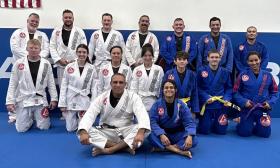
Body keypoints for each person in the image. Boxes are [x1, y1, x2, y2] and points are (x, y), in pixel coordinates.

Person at [77, 73, 151, 156]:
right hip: (106, 131)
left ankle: (110, 150)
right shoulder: (102, 97)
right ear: (111, 84)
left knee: (143, 129)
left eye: (121, 82)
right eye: (115, 82)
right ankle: (124, 148)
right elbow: (90, 113)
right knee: (83, 132)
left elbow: (142, 113)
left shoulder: (133, 97)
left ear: (125, 84)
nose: (118, 85)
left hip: (125, 132)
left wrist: (140, 132)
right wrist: (83, 132)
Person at [6, 39, 58, 132]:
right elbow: (12, 84)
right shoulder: (19, 63)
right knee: (21, 129)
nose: (33, 50)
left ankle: (36, 117)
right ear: (27, 48)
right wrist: (10, 101)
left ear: (40, 49)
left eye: (36, 48)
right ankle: (29, 119)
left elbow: (51, 83)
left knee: (44, 127)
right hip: (24, 99)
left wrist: (54, 99)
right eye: (31, 48)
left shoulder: (46, 64)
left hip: (40, 100)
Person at [233, 51, 278, 138]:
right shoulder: (243, 75)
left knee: (264, 134)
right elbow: (235, 92)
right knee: (244, 133)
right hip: (247, 109)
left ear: (260, 60)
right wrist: (244, 101)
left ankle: (259, 125)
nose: (254, 63)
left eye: (256, 60)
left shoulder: (268, 75)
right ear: (247, 62)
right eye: (251, 61)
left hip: (262, 109)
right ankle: (242, 123)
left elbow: (275, 92)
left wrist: (270, 102)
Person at [149, 80, 197, 158]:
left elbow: (189, 122)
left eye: (171, 87)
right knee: (149, 135)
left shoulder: (182, 105)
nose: (169, 89)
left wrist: (190, 135)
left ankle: (165, 148)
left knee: (194, 140)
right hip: (163, 134)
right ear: (163, 90)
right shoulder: (157, 104)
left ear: (175, 90)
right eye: (166, 88)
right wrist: (161, 135)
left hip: (177, 134)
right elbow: (153, 122)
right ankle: (179, 151)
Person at [58, 44, 98, 132]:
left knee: (83, 128)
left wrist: (93, 103)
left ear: (87, 54)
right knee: (70, 128)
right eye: (79, 52)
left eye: (84, 52)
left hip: (84, 98)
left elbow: (94, 88)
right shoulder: (69, 67)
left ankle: (81, 119)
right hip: (71, 98)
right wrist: (62, 104)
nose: (81, 54)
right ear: (76, 53)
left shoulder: (92, 68)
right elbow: (64, 86)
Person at [197, 49, 232, 134]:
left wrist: (227, 98)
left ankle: (217, 123)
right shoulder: (201, 71)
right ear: (208, 58)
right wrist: (206, 97)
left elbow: (229, 88)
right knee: (204, 131)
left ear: (220, 59)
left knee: (221, 131)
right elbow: (197, 87)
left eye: (217, 57)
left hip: (220, 104)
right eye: (212, 57)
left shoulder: (225, 72)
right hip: (207, 104)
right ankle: (207, 122)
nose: (214, 59)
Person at [50, 9, 87, 87]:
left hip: (75, 64)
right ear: (62, 18)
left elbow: (84, 48)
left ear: (73, 19)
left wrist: (76, 60)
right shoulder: (56, 31)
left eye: (70, 17)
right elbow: (52, 46)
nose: (68, 19)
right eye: (66, 17)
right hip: (61, 64)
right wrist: (58, 59)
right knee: (62, 87)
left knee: (75, 86)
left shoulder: (79, 31)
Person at [130, 44, 164, 112]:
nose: (147, 58)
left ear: (153, 56)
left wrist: (160, 102)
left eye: (149, 55)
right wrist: (134, 103)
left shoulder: (159, 69)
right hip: (140, 101)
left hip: (154, 101)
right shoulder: (137, 70)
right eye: (145, 55)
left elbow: (161, 87)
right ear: (142, 56)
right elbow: (133, 89)